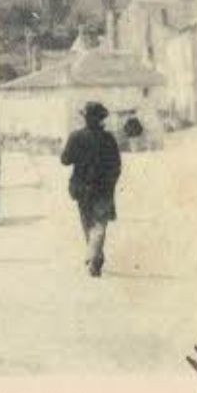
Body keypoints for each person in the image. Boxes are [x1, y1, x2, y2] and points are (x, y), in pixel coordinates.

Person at [61, 101, 122, 277]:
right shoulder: (109, 139)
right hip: (103, 188)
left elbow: (65, 160)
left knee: (87, 224)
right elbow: (116, 166)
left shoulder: (76, 137)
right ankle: (95, 256)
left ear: (85, 118)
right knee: (99, 224)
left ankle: (94, 256)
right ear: (101, 119)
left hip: (81, 188)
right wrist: (111, 182)